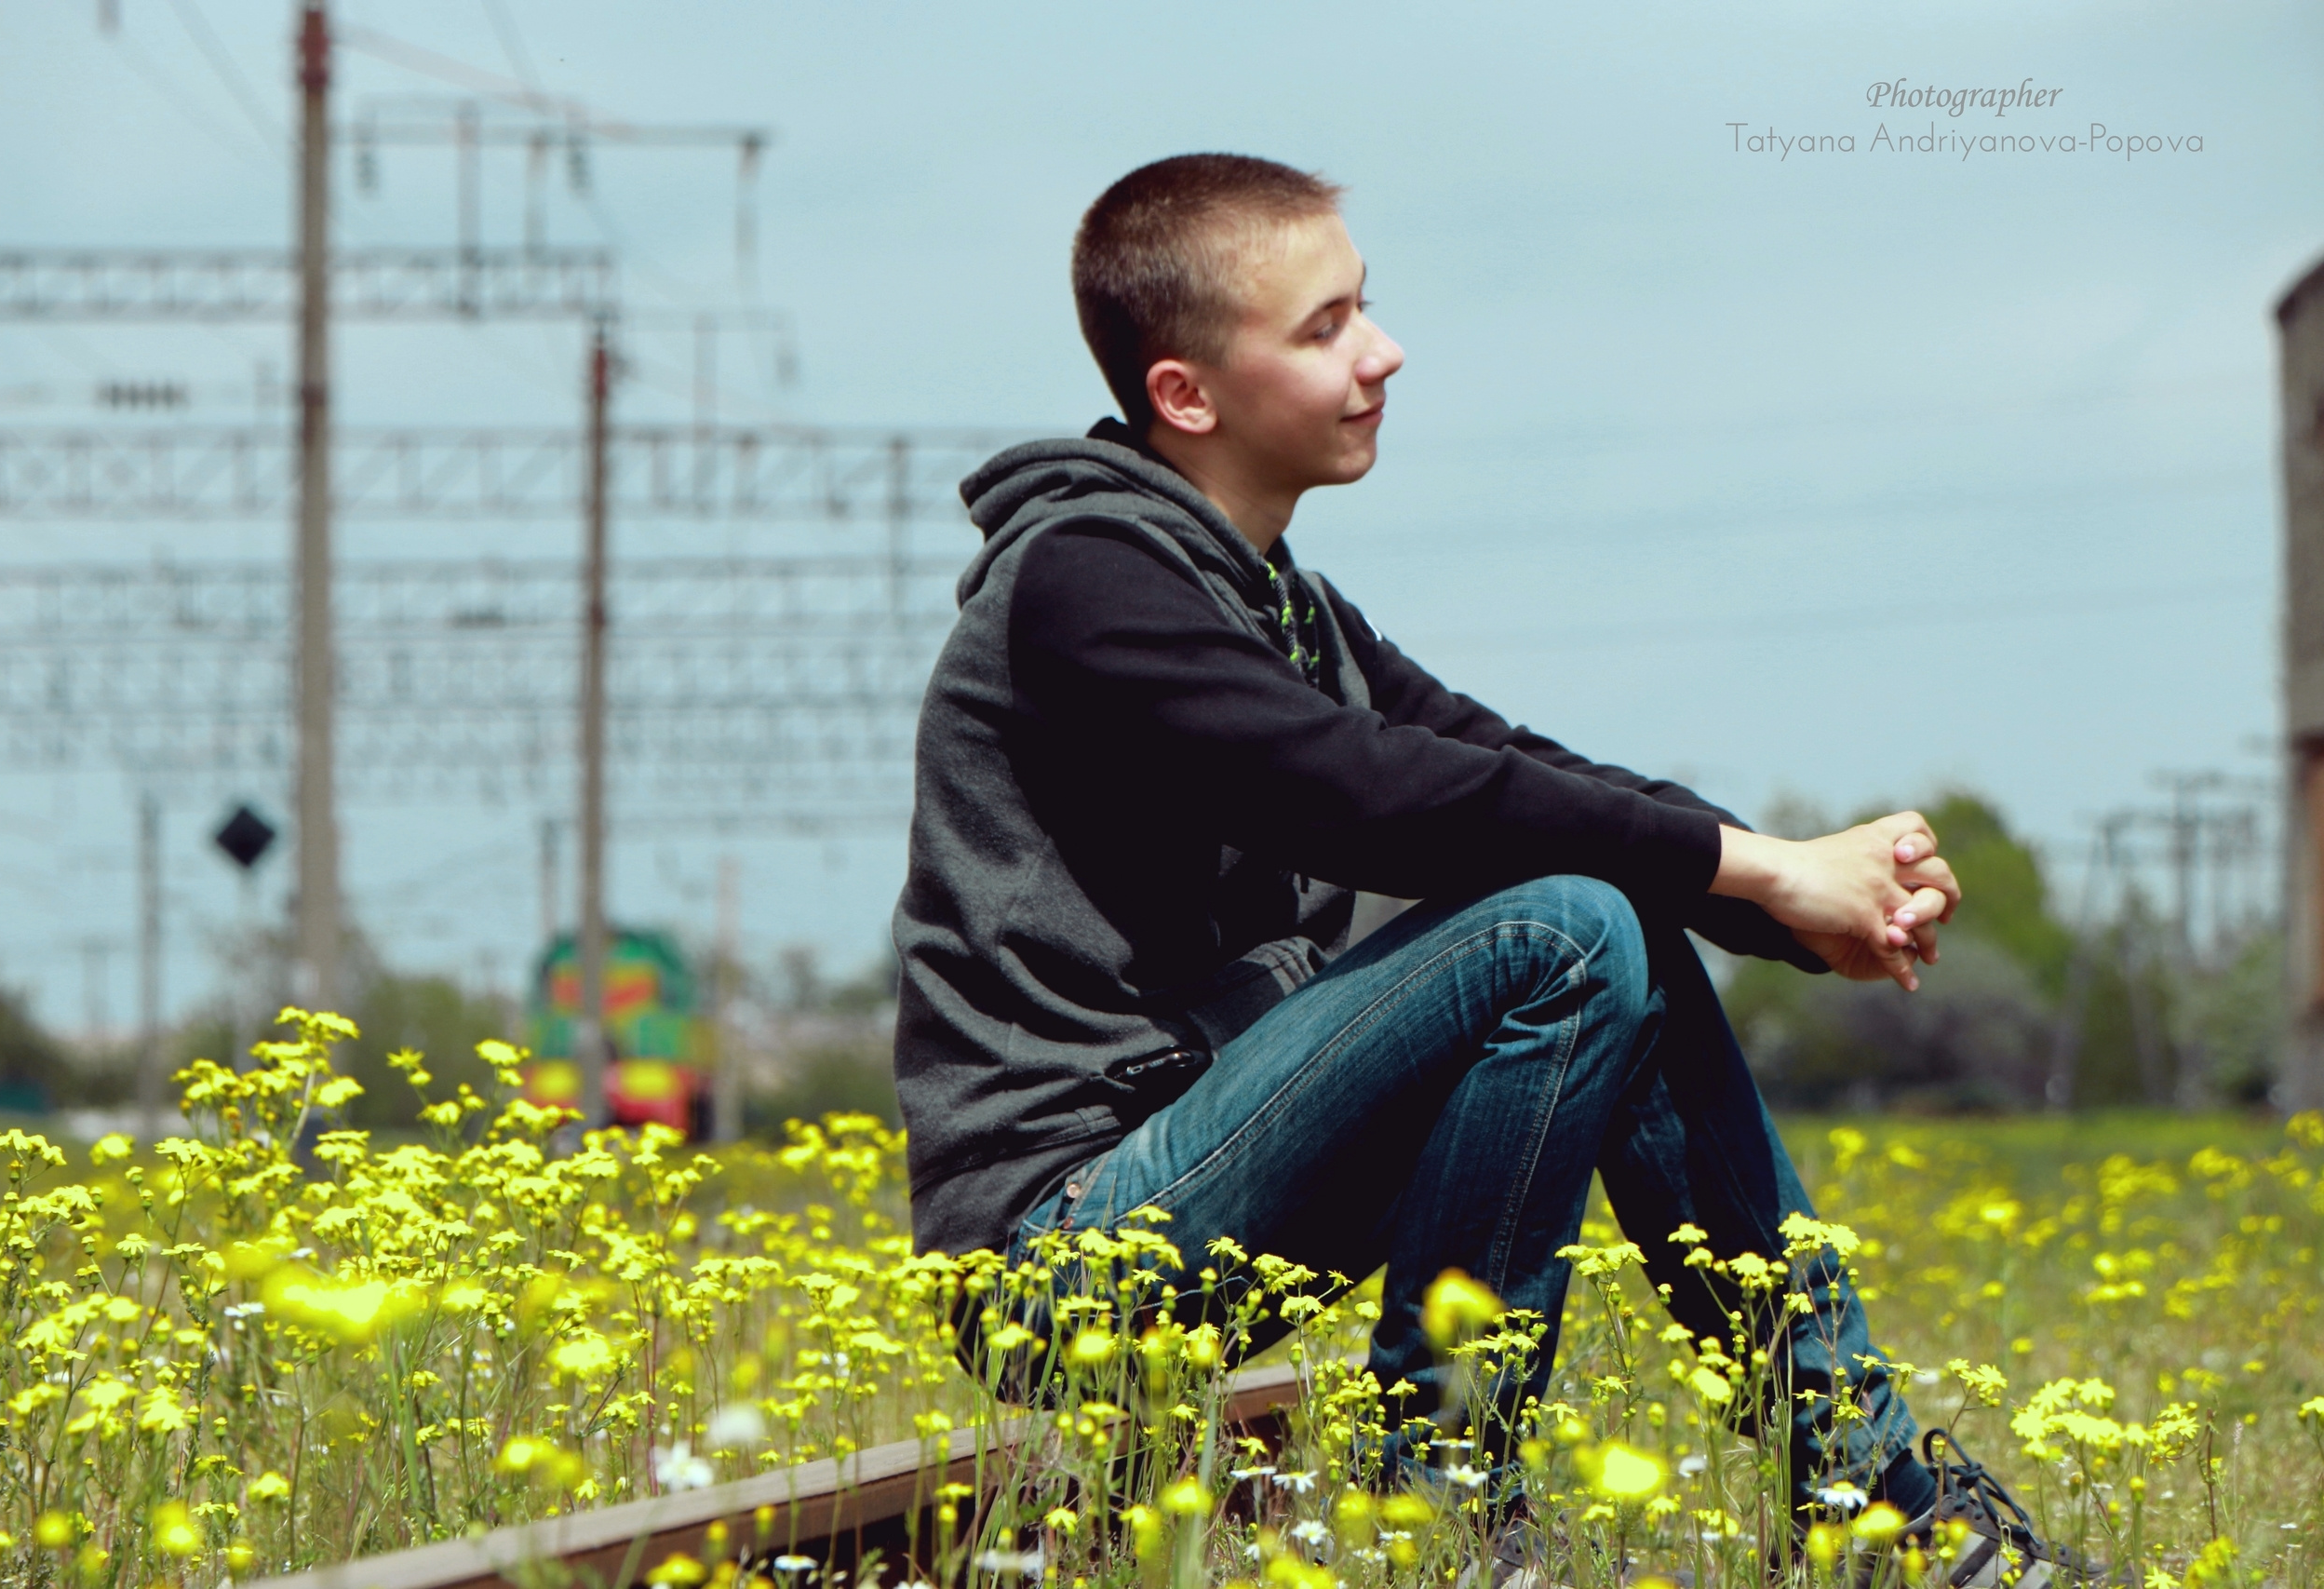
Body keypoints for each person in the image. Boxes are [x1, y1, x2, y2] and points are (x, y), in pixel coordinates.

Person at [889, 152, 2086, 1579]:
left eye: (1365, 307)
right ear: (1187, 396)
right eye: (1325, 327)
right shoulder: (1084, 586)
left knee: (1607, 908)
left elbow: (1521, 771)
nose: (1383, 352)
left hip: (1213, 1168)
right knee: (1566, 928)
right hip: (1063, 1246)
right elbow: (1367, 798)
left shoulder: (1285, 606)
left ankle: (1874, 1506)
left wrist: (1798, 896)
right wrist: (1765, 874)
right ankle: (1442, 1517)